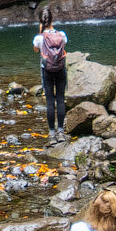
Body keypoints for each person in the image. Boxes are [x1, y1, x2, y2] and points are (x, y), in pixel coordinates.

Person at [32, 8, 70, 143]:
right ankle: (61, 131)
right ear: (52, 19)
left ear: (41, 22)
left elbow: (36, 49)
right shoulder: (62, 35)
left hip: (46, 70)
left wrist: (40, 32)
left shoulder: (39, 37)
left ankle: (51, 134)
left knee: (49, 101)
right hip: (60, 69)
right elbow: (64, 46)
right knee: (60, 99)